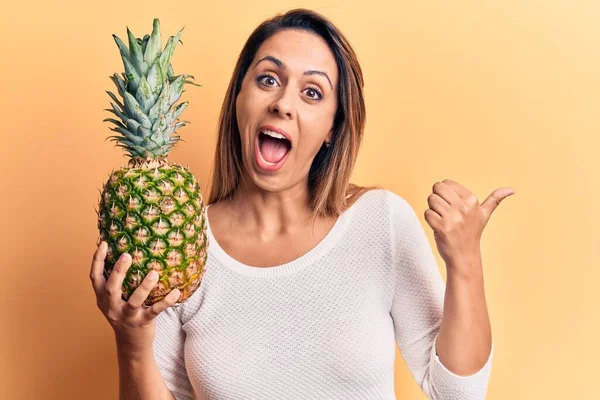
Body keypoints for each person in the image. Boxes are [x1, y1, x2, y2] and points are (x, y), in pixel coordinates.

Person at [91, 8, 512, 400]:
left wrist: (465, 261)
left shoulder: (380, 221)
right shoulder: (180, 243)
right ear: (238, 100)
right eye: (268, 79)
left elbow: (458, 393)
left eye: (312, 92)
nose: (282, 103)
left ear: (333, 127)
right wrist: (130, 340)